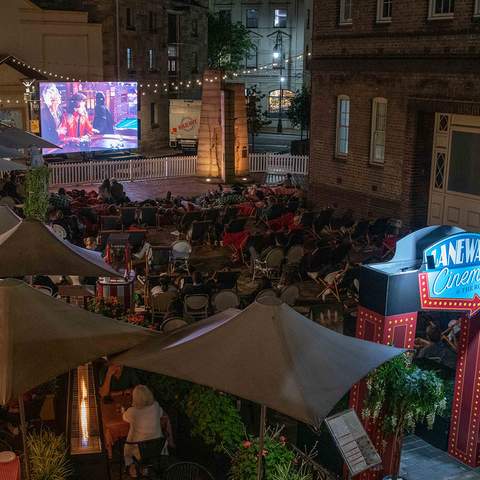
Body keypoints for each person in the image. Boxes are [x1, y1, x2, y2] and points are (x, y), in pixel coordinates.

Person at [123, 385, 165, 477]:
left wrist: (124, 410)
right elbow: (161, 414)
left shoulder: (132, 411)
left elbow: (124, 417)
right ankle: (145, 468)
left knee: (127, 448)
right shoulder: (156, 406)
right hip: (157, 446)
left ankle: (131, 467)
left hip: (140, 449)